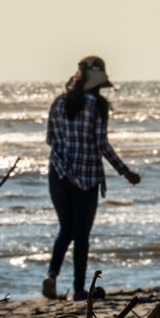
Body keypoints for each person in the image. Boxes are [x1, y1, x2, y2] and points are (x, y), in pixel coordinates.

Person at [44, 55, 141, 301]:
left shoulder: (58, 103)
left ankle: (52, 275)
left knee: (65, 229)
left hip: (58, 175)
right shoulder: (97, 105)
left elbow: (50, 140)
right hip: (86, 178)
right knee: (82, 236)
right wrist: (124, 170)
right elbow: (101, 144)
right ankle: (78, 290)